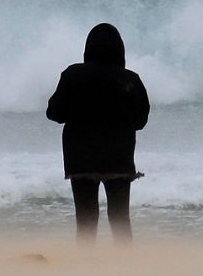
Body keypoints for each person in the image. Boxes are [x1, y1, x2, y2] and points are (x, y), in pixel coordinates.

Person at [46, 23, 150, 244]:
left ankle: (86, 265)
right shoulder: (131, 79)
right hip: (119, 159)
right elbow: (141, 121)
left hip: (81, 159)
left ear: (88, 49)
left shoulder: (72, 75)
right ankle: (126, 265)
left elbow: (54, 113)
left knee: (86, 218)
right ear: (120, 50)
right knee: (120, 217)